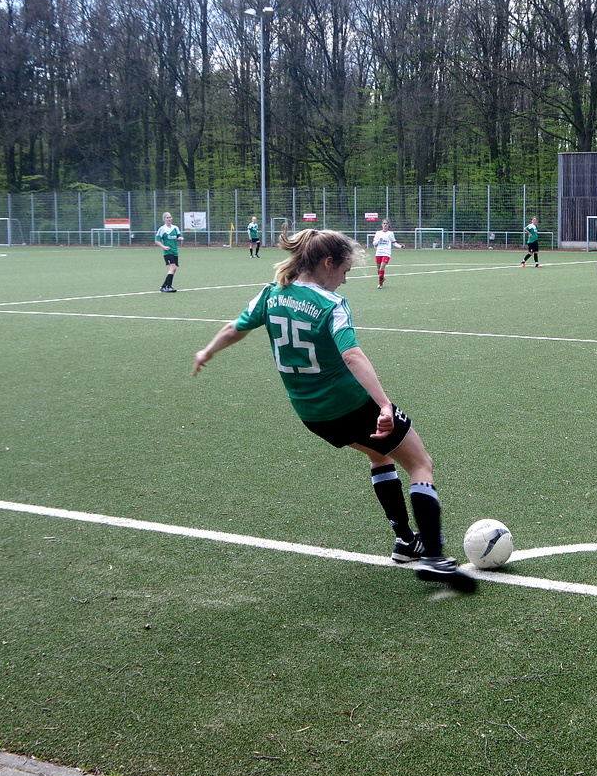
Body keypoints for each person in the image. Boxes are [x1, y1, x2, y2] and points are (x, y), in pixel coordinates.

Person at [191, 229, 474, 591]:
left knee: (380, 456)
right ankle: (435, 557)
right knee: (420, 463)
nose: (344, 279)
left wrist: (207, 351)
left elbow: (235, 327)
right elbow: (351, 355)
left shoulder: (271, 294)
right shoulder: (330, 304)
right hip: (352, 404)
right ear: (327, 263)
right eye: (344, 270)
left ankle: (406, 542)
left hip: (312, 414)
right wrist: (384, 405)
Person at [155, 212, 182, 292]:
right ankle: (169, 286)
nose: (169, 219)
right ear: (164, 219)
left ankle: (163, 286)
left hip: (175, 251)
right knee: (172, 267)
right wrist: (164, 247)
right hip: (167, 252)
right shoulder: (162, 229)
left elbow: (179, 236)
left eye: (170, 217)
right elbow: (157, 241)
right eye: (167, 218)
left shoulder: (175, 228)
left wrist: (180, 238)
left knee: (174, 269)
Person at [372, 218, 401, 287]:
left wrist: (400, 246)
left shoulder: (390, 233)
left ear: (388, 225)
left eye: (386, 223)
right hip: (379, 252)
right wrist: (379, 240)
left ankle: (380, 283)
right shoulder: (378, 233)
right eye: (384, 223)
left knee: (382, 267)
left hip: (386, 252)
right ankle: (382, 278)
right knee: (378, 270)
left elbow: (394, 243)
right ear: (382, 225)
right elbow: (374, 243)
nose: (385, 225)